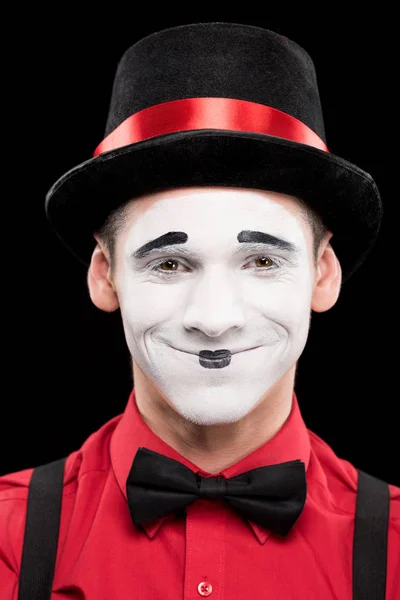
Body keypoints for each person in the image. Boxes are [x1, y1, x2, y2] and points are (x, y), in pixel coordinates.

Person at [0, 22, 398, 600]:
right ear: (105, 276)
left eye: (261, 261)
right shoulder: (7, 539)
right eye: (169, 264)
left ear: (323, 273)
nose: (214, 318)